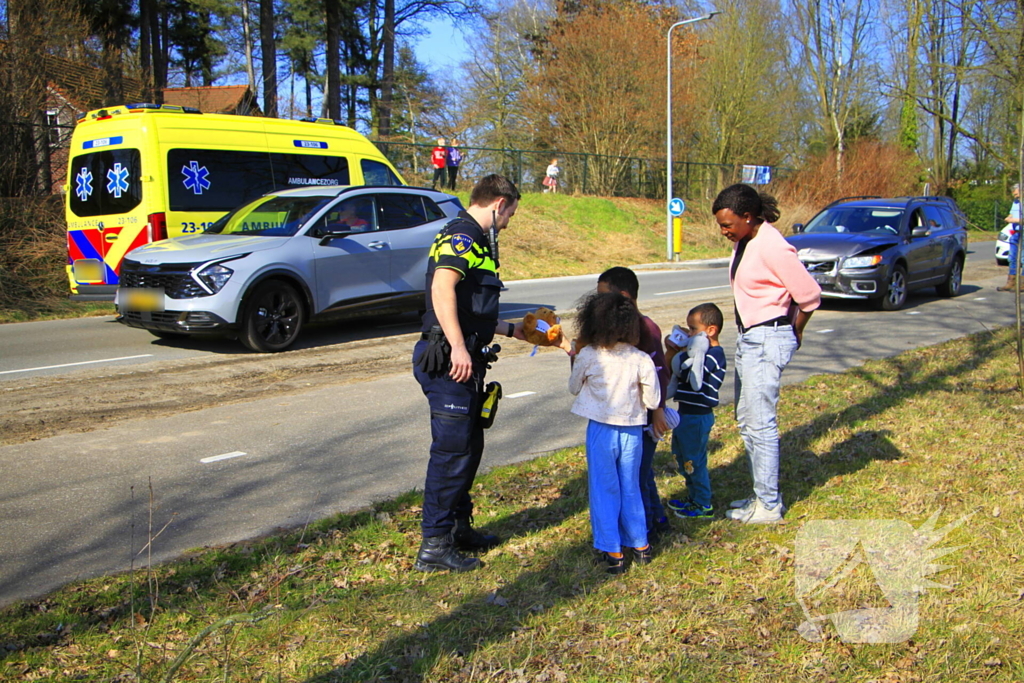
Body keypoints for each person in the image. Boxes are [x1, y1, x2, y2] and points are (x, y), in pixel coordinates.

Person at [411, 174, 526, 573]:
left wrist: (514, 330)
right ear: (499, 204)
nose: (509, 221)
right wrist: (458, 346)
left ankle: (459, 527)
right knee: (451, 453)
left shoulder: (476, 240)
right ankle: (434, 546)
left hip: (466, 360)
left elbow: (468, 308)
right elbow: (443, 289)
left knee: (468, 448)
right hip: (448, 361)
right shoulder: (463, 235)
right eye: (511, 213)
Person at [714, 183, 821, 524]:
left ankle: (770, 506)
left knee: (761, 425)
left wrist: (795, 329)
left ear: (748, 216)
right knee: (746, 421)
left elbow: (809, 296)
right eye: (721, 225)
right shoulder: (748, 240)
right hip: (750, 339)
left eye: (728, 224)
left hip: (767, 338)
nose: (724, 231)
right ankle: (760, 496)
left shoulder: (773, 245)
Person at [568, 291, 661, 574]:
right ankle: (640, 544)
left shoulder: (588, 355)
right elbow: (654, 401)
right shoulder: (641, 358)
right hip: (633, 431)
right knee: (631, 486)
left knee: (604, 487)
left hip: (601, 429)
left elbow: (573, 387)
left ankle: (612, 550)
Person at [595, 267, 671, 541]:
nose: (598, 302)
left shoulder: (645, 329)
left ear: (624, 296)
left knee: (636, 477)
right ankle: (659, 518)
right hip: (628, 417)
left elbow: (660, 371)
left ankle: (646, 529)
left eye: (603, 296)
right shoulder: (614, 329)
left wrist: (659, 410)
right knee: (642, 472)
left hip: (645, 418)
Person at [663, 303, 726, 519]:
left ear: (711, 330)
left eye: (693, 330)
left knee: (695, 461)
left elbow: (690, 370)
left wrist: (681, 353)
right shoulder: (696, 352)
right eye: (688, 329)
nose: (689, 334)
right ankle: (692, 496)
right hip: (685, 414)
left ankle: (703, 503)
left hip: (698, 417)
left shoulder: (715, 355)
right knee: (683, 458)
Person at [997, 183, 1021, 292]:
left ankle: (1022, 283)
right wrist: (1009, 217)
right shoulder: (1015, 202)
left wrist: (1015, 220)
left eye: (1015, 191)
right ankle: (1011, 282)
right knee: (1012, 258)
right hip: (1015, 232)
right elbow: (1012, 214)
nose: (1013, 193)